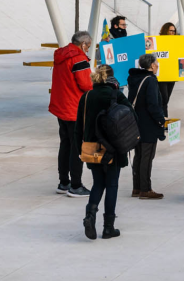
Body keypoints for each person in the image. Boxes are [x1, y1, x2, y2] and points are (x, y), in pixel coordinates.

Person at [78, 64, 133, 240]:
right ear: (111, 77)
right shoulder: (116, 95)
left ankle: (90, 215)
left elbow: (78, 127)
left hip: (92, 148)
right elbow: (132, 116)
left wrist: (77, 149)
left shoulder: (86, 97)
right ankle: (108, 227)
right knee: (112, 185)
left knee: (97, 183)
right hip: (113, 148)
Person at [49, 31, 94, 198]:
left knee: (65, 144)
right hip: (74, 108)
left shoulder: (61, 55)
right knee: (77, 148)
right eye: (88, 47)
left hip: (61, 107)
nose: (88, 50)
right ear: (83, 44)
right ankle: (75, 185)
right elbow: (86, 84)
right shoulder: (79, 59)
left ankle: (63, 182)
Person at [127, 54, 166, 199]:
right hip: (148, 124)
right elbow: (153, 104)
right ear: (151, 65)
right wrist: (161, 120)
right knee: (147, 157)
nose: (158, 65)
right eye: (157, 63)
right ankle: (145, 189)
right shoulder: (150, 80)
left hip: (136, 123)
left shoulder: (135, 78)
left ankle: (136, 187)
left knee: (139, 155)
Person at [156, 22, 179, 107]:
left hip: (172, 74)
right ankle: (163, 117)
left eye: (174, 31)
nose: (172, 33)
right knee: (164, 98)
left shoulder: (177, 42)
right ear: (165, 31)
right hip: (161, 74)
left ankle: (163, 116)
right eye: (170, 31)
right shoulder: (158, 41)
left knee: (167, 98)